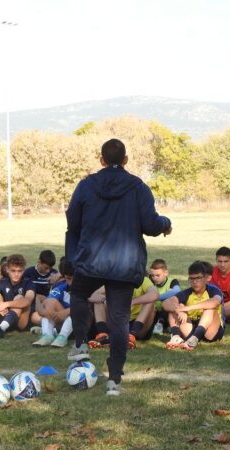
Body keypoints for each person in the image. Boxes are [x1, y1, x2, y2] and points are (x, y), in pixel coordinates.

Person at [65, 138, 171, 396]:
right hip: (125, 263)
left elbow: (73, 220)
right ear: (125, 160)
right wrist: (165, 223)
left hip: (91, 260)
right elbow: (150, 223)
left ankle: (80, 343)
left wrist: (76, 251)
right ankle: (114, 381)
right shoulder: (138, 187)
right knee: (120, 319)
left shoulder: (86, 185)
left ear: (101, 160)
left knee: (78, 294)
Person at [163, 261, 224, 350]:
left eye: (198, 278)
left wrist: (186, 308)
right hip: (191, 328)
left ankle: (195, 338)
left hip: (211, 330)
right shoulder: (187, 292)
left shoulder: (213, 290)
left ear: (205, 278)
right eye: (191, 278)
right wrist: (178, 309)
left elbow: (215, 302)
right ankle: (176, 337)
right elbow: (166, 303)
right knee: (173, 308)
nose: (195, 282)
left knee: (210, 308)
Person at [89, 274, 159, 349]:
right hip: (118, 321)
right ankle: (103, 334)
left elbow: (155, 294)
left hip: (138, 324)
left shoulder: (143, 280)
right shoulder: (116, 279)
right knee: (98, 300)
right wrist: (106, 299)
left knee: (150, 302)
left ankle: (132, 335)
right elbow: (91, 295)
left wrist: (133, 301)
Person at [0, 253, 35, 338]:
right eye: (13, 271)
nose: (16, 274)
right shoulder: (3, 282)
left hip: (21, 322)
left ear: (24, 270)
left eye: (19, 271)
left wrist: (5, 304)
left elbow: (27, 301)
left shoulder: (28, 282)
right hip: (5, 316)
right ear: (7, 269)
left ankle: (1, 329)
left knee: (19, 298)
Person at [33, 259, 75, 348]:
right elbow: (47, 305)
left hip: (80, 325)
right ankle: (47, 335)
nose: (71, 283)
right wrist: (55, 315)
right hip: (61, 321)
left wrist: (66, 312)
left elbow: (86, 308)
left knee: (77, 312)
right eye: (68, 279)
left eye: (74, 279)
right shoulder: (62, 288)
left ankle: (62, 336)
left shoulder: (85, 289)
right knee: (48, 304)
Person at [148, 258, 181, 335]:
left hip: (166, 312)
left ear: (166, 273)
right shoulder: (150, 281)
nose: (154, 278)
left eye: (158, 275)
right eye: (152, 275)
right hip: (154, 312)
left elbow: (177, 291)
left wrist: (157, 297)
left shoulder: (173, 281)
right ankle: (159, 325)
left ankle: (162, 324)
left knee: (168, 300)